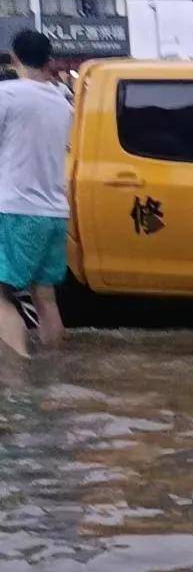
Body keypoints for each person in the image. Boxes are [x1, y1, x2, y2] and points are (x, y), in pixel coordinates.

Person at [0, 27, 73, 358]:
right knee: (45, 296)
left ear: (14, 59)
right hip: (54, 212)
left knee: (1, 293)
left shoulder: (8, 96)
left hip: (16, 208)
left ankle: (19, 377)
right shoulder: (62, 103)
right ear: (49, 61)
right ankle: (55, 371)